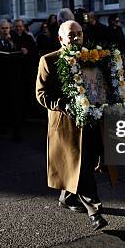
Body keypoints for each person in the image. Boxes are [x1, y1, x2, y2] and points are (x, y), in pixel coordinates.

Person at [36, 20, 108, 231]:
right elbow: (41, 94)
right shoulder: (48, 60)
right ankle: (95, 211)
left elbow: (99, 87)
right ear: (60, 39)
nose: (76, 38)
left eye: (79, 34)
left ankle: (66, 197)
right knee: (82, 165)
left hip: (92, 121)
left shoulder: (91, 58)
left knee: (85, 163)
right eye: (71, 35)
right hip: (67, 126)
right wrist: (63, 105)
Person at [0, 19, 25, 139]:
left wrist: (21, 51)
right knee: (2, 104)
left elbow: (21, 56)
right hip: (0, 78)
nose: (5, 31)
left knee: (15, 105)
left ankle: (16, 131)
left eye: (7, 28)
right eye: (3, 28)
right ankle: (3, 126)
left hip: (14, 77)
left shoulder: (15, 40)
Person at [11, 18, 39, 119]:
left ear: (23, 27)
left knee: (27, 91)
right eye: (17, 27)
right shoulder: (11, 37)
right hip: (15, 70)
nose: (18, 28)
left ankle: (27, 113)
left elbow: (35, 52)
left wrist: (28, 51)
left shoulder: (28, 37)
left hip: (27, 69)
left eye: (20, 26)